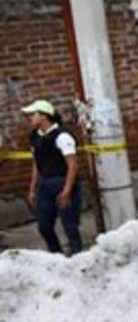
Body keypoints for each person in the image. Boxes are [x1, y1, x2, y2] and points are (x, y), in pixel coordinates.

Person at [21, 100, 81, 255]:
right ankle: (56, 254)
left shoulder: (62, 136)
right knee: (44, 226)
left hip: (62, 181)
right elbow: (37, 163)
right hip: (44, 184)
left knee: (70, 225)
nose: (29, 118)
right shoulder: (35, 137)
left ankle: (77, 256)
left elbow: (72, 165)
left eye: (33, 115)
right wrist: (33, 188)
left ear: (44, 116)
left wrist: (67, 190)